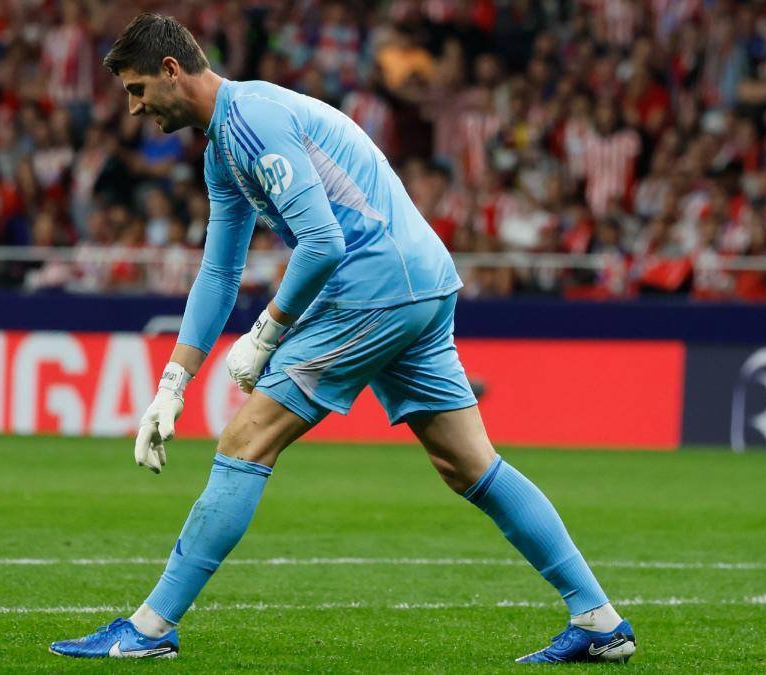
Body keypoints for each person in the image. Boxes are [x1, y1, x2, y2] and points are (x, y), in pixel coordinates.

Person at [48, 14, 636, 664]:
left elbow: (325, 243)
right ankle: (600, 619)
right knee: (469, 463)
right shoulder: (226, 145)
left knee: (247, 439)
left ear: (171, 70)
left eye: (136, 90)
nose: (133, 109)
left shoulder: (251, 122)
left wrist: (266, 333)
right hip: (421, 279)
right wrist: (173, 382)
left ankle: (150, 627)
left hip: (373, 282)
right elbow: (218, 271)